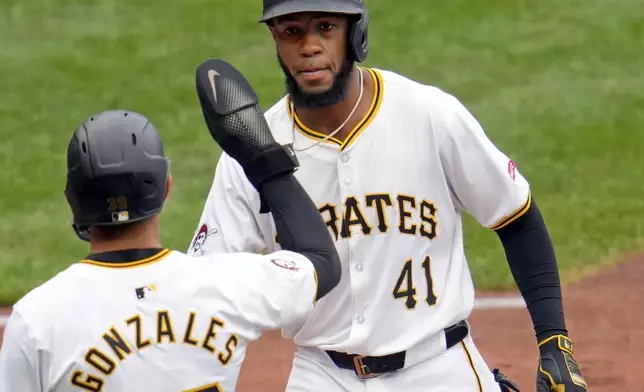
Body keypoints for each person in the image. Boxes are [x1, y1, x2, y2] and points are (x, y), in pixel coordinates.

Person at [188, 1, 588, 391]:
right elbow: (208, 285)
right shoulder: (252, 150)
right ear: (275, 39)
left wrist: (554, 341)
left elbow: (515, 216)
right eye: (292, 31)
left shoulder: (428, 115)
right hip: (321, 373)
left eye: (325, 27)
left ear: (355, 33)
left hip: (438, 366)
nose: (309, 46)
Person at [0, 59, 342, 392]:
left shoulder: (37, 321)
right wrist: (261, 157)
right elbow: (320, 261)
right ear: (166, 188)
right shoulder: (229, 286)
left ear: (73, 201)